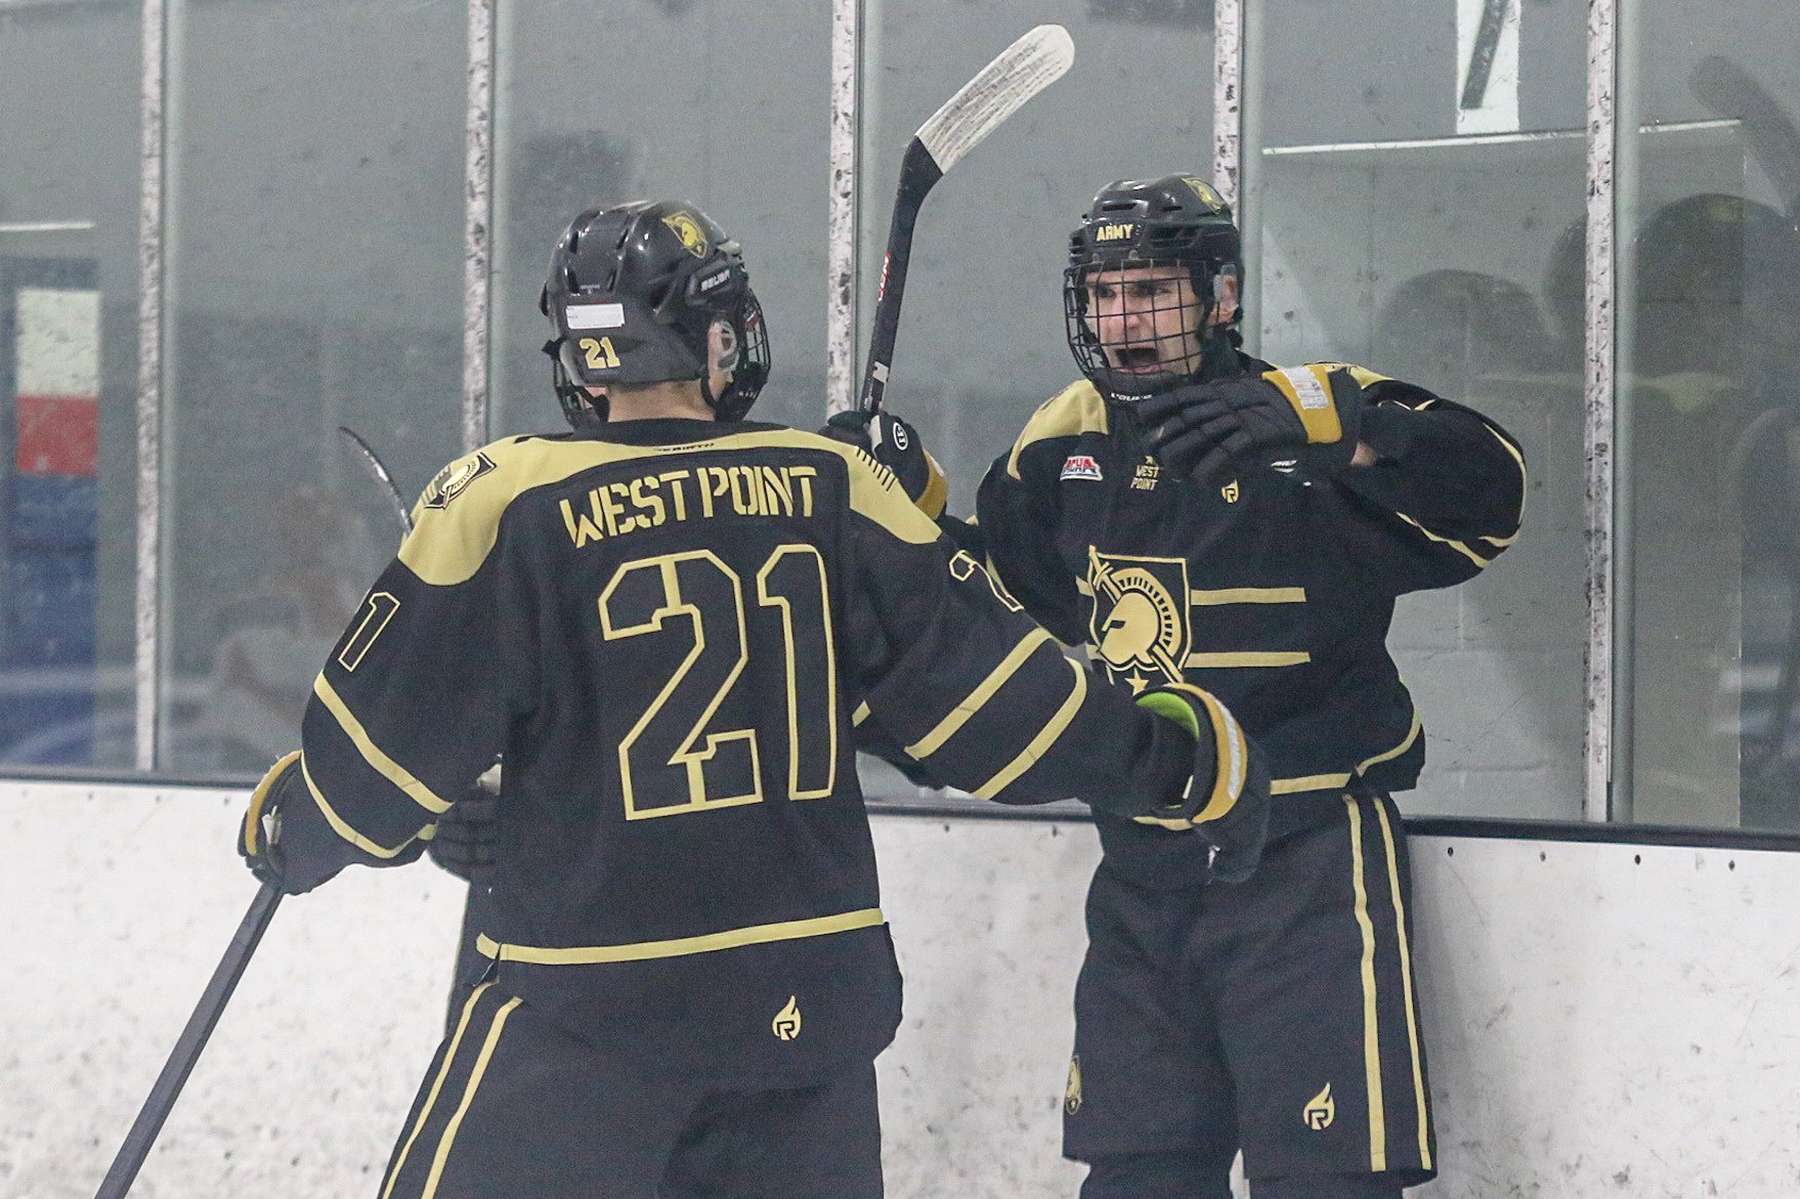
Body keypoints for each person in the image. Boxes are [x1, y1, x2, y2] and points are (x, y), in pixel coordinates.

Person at [233, 197, 1273, 1199]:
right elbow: (1005, 713)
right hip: (807, 1012)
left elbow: (374, 771)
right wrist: (1180, 757)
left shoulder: (506, 496)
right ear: (714, 333)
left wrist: (299, 824)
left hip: (591, 1006)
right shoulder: (832, 483)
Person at [852, 175, 1527, 1198]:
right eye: (1105, 293)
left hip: (1306, 860)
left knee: (1329, 1180)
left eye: (1152, 291)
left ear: (1219, 294)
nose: (1123, 319)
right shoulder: (1060, 441)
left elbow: (1494, 495)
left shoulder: (1306, 409)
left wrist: (1336, 424)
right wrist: (912, 510)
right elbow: (998, 609)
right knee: (1137, 1174)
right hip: (1142, 862)